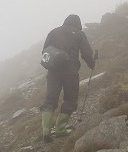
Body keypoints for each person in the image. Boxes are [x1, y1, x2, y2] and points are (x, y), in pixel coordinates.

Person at [40, 14, 95, 142]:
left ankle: (46, 131)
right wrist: (91, 64)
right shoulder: (79, 34)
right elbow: (86, 53)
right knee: (70, 99)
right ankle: (60, 129)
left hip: (53, 72)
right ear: (78, 24)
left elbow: (45, 52)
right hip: (70, 72)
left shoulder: (53, 32)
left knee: (50, 99)